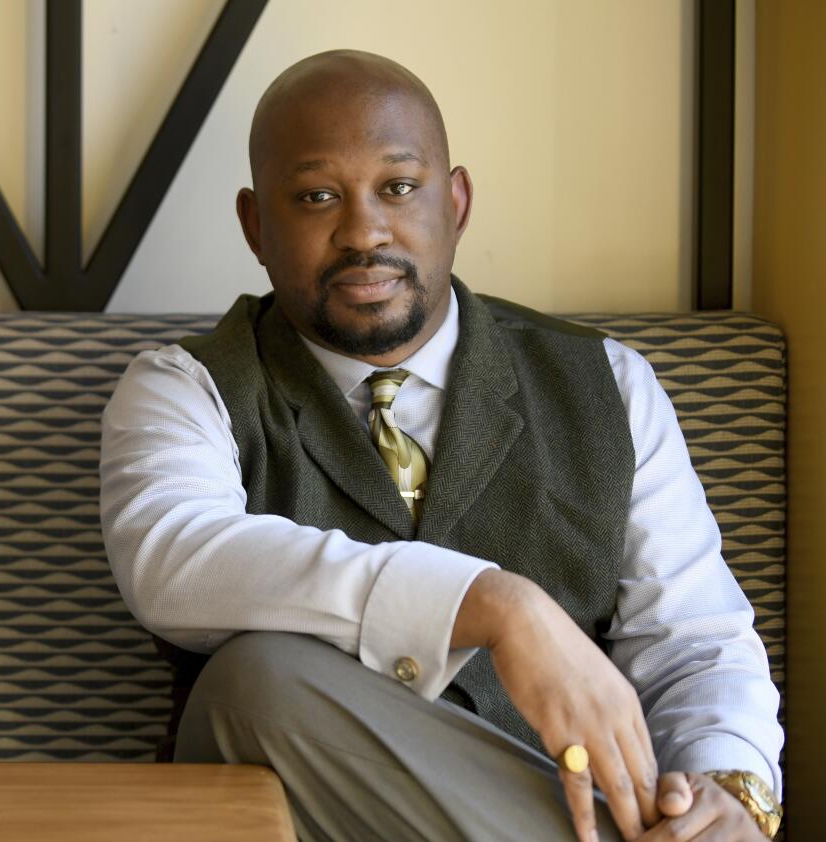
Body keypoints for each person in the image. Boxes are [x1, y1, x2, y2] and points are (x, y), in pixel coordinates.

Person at [99, 50, 783, 842]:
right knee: (254, 685)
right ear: (256, 225)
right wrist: (492, 604)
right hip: (300, 816)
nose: (363, 232)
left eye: (398, 187)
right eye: (318, 196)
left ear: (454, 204)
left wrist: (729, 791)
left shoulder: (608, 383)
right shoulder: (187, 387)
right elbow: (173, 563)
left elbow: (696, 643)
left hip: (574, 813)